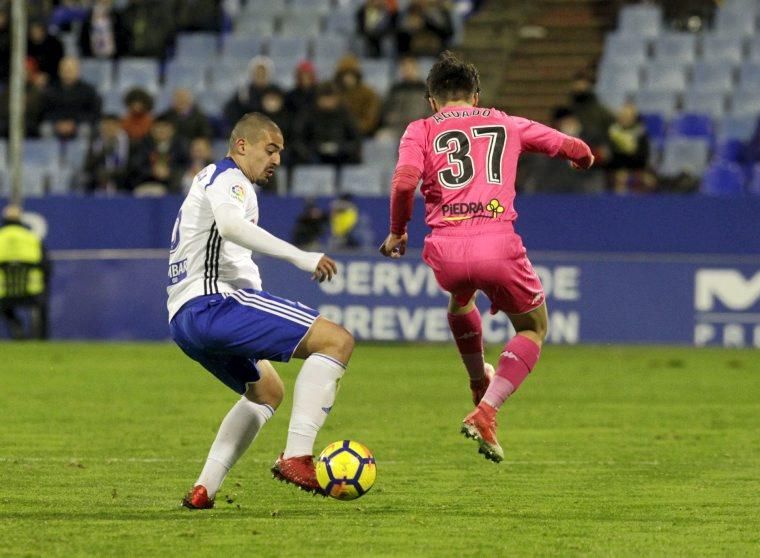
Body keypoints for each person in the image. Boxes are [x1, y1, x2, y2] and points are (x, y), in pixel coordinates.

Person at [379, 52, 593, 462]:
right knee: (533, 328)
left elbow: (405, 182)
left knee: (460, 300)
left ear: (431, 100)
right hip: (497, 244)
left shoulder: (420, 129)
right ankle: (487, 409)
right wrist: (582, 156)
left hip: (446, 250)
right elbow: (567, 145)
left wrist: (398, 230)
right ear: (475, 96)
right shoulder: (507, 122)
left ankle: (478, 381)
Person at [168, 112, 353, 508]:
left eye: (280, 153)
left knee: (266, 390)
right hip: (214, 304)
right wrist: (301, 256)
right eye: (270, 150)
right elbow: (233, 228)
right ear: (241, 146)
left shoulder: (210, 179)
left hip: (185, 319)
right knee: (336, 341)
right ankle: (296, 457)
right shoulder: (230, 178)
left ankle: (204, 489)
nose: (276, 160)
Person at [0, 204, 49, 340]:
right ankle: (42, 339)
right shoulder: (32, 239)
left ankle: (15, 325)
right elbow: (47, 268)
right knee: (43, 301)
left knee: (5, 305)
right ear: (21, 219)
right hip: (31, 292)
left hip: (3, 293)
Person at [40, 56, 101, 140]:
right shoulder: (51, 90)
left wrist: (74, 123)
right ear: (59, 71)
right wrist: (58, 123)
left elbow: (93, 113)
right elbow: (45, 112)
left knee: (85, 129)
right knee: (45, 129)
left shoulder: (88, 90)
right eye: (65, 70)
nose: (67, 72)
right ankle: (48, 152)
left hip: (79, 125)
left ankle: (81, 152)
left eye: (70, 70)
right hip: (56, 125)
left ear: (78, 71)